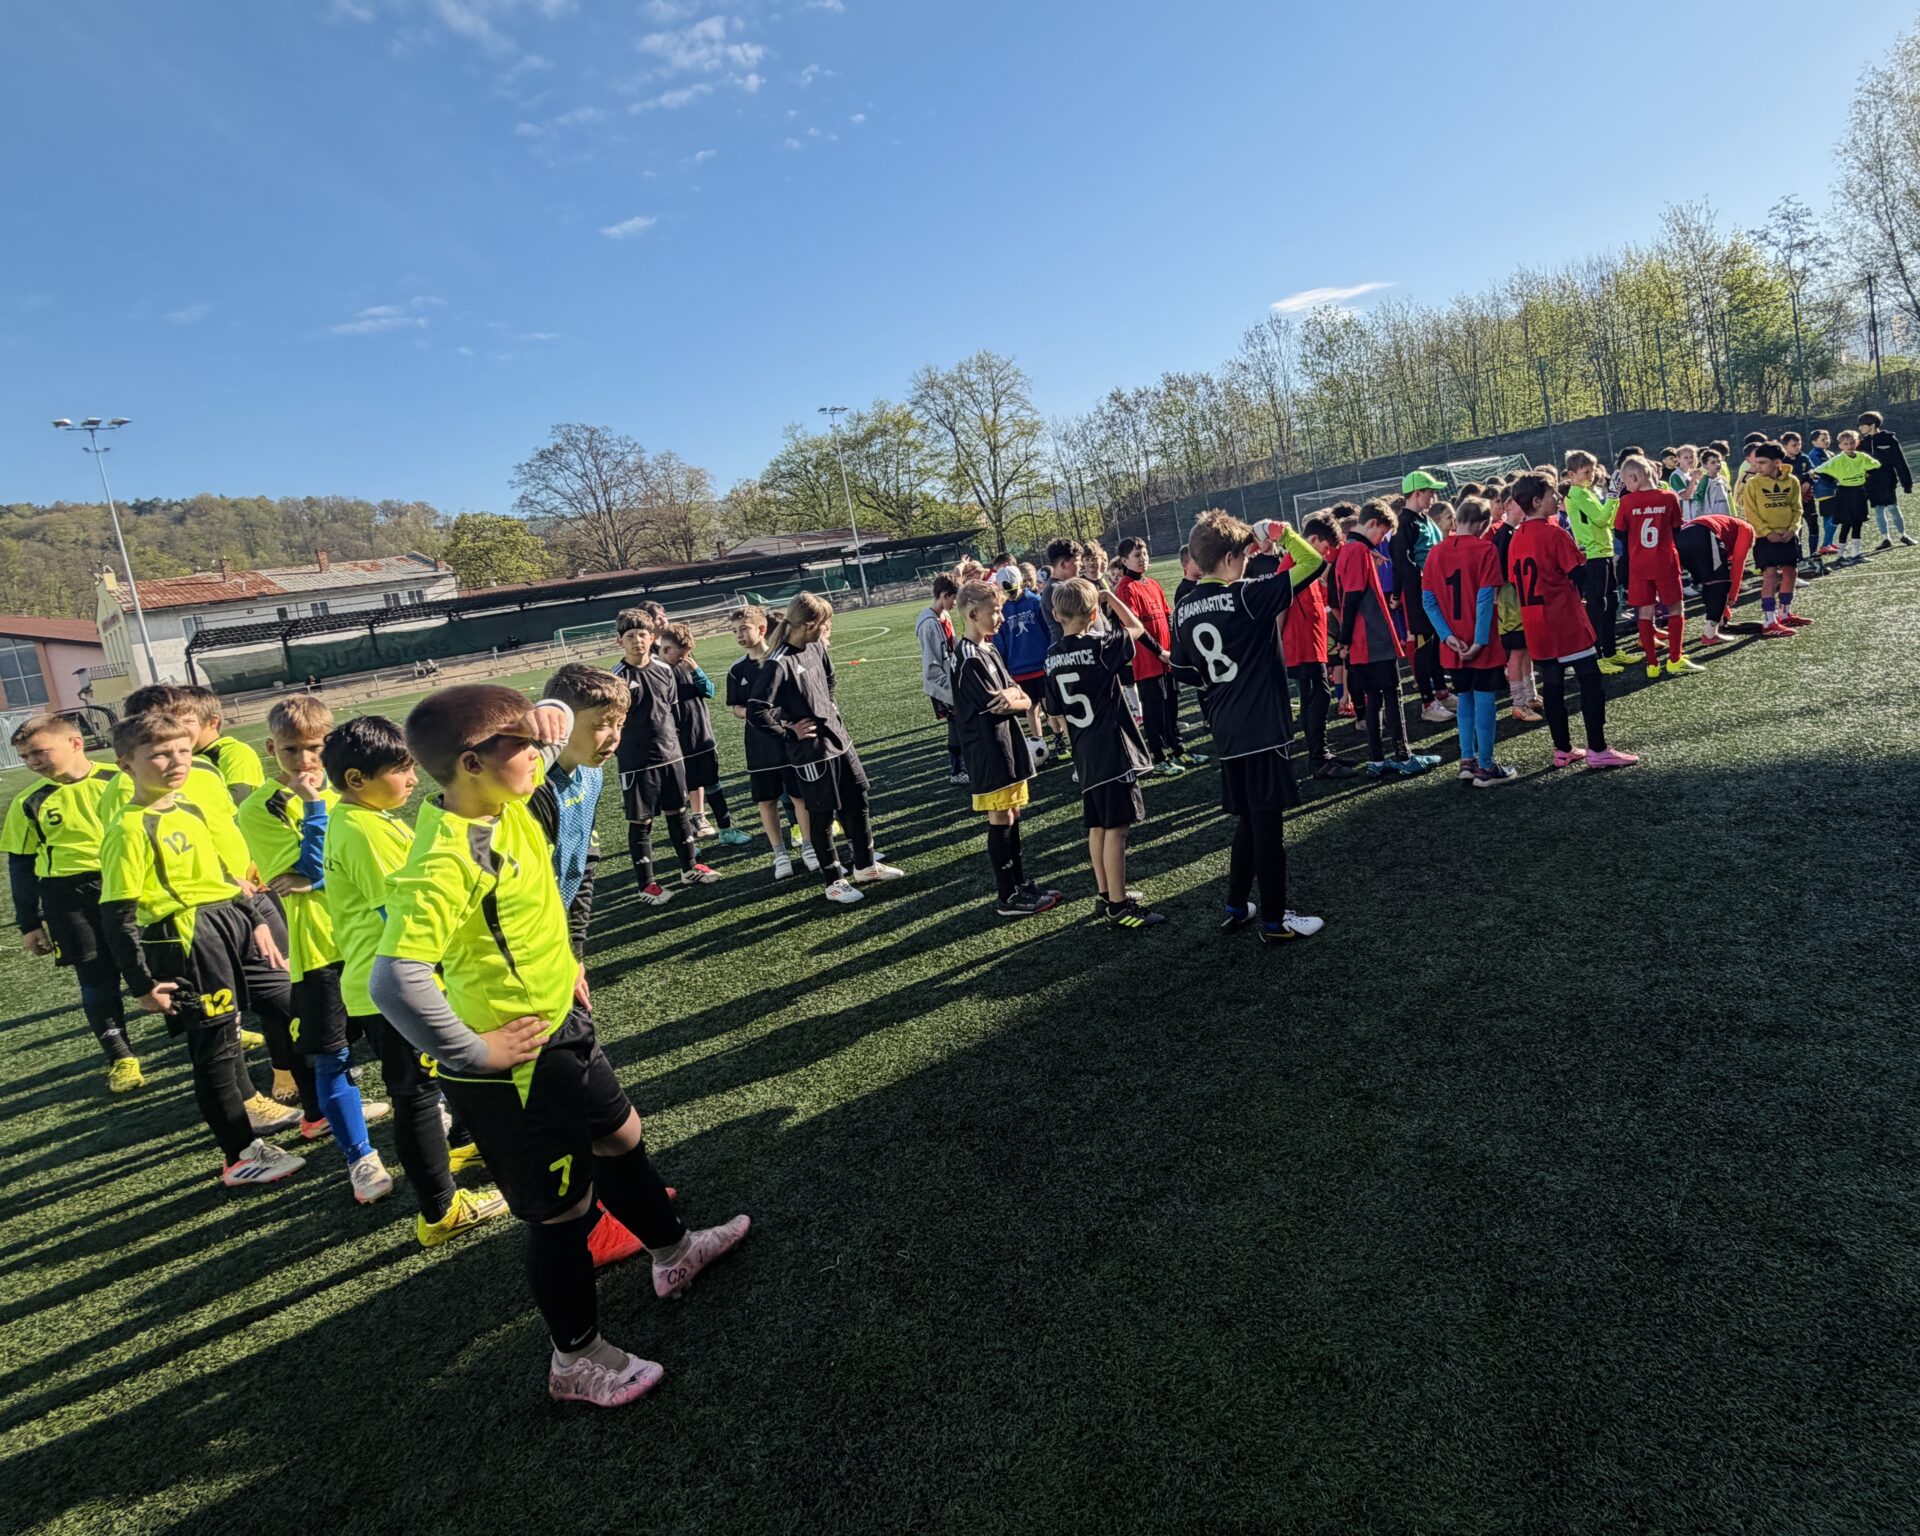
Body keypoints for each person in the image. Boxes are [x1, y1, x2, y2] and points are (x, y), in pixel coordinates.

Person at [369, 684, 750, 1408]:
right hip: (512, 1067)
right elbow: (394, 980)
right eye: (522, 745)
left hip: (560, 1026)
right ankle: (575, 1357)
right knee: (562, 1214)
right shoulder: (447, 859)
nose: (538, 753)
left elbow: (555, 732)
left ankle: (673, 1251)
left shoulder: (502, 798)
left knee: (620, 1137)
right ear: (473, 763)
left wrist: (547, 715)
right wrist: (473, 1053)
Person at [98, 710, 307, 1186]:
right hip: (186, 938)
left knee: (285, 1009)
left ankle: (311, 1113)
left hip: (229, 922)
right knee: (215, 1047)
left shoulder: (188, 809)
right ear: (127, 765)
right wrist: (141, 984)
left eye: (182, 751)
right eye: (159, 755)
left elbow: (221, 875)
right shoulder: (128, 829)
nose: (176, 762)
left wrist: (255, 920)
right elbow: (117, 914)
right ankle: (239, 1156)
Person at [320, 714, 505, 1247]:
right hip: (392, 989)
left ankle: (463, 1142)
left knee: (434, 1080)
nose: (412, 779)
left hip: (383, 983)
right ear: (357, 779)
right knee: (416, 1095)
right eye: (399, 770)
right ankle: (440, 1210)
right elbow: (398, 915)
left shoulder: (367, 819)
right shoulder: (363, 831)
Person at [236, 695, 393, 1199]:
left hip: (372, 939)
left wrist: (315, 874)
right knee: (331, 1056)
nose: (304, 760)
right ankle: (361, 1159)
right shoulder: (259, 809)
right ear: (271, 750)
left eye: (315, 747)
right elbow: (307, 870)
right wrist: (314, 808)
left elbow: (324, 872)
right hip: (320, 948)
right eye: (291, 750)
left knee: (405, 1045)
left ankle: (439, 1118)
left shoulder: (353, 785)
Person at [1172, 510, 1327, 943]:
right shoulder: (1246, 595)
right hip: (1262, 726)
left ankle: (1237, 904)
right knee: (1268, 826)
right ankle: (1275, 921)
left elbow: (1182, 670)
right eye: (1242, 555)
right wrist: (1285, 534)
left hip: (1226, 727)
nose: (1246, 561)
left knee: (1249, 819)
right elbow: (1314, 562)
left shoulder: (1182, 606)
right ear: (1228, 559)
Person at [3, 714, 139, 1088]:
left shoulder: (122, 779)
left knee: (164, 963)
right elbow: (20, 866)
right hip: (68, 898)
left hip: (129, 886)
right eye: (25, 757)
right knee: (96, 978)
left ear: (75, 743)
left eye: (39, 752)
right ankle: (121, 1057)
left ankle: (213, 1028)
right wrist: (29, 923)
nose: (33, 763)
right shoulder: (29, 802)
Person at [747, 593, 903, 905]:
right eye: (824, 623)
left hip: (839, 741)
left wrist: (829, 704)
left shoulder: (816, 646)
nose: (827, 628)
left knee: (857, 799)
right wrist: (789, 733)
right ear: (808, 624)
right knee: (822, 815)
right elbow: (756, 711)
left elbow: (829, 678)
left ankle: (865, 865)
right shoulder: (779, 662)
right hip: (811, 752)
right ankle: (834, 882)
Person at [1504, 475, 1638, 771]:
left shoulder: (1517, 537)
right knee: (1590, 681)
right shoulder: (1553, 532)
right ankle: (1598, 749)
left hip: (1536, 624)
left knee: (1553, 686)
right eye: (1552, 494)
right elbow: (1579, 575)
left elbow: (1516, 579)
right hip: (1564, 621)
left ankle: (1562, 750)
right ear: (1536, 501)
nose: (1558, 498)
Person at [952, 580, 1060, 918]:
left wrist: (1015, 696)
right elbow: (998, 706)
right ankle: (1008, 895)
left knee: (1013, 814)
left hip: (1007, 743)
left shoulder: (989, 648)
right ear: (973, 614)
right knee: (1000, 817)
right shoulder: (968, 657)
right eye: (994, 612)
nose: (1000, 617)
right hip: (988, 748)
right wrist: (1016, 698)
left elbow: (1020, 696)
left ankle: (1020, 882)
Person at [611, 609, 717, 906]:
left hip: (670, 753)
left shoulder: (664, 669)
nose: (637, 641)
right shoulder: (616, 678)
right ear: (620, 642)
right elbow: (612, 720)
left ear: (652, 638)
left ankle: (690, 868)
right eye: (630, 636)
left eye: (642, 635)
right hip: (637, 761)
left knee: (678, 811)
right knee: (641, 821)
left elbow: (668, 707)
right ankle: (646, 885)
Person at [1334, 501, 1437, 777]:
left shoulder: (1352, 549)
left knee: (1374, 698)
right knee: (1392, 694)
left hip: (1364, 641)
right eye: (1382, 533)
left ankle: (1377, 761)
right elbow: (1352, 597)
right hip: (1373, 638)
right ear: (1372, 524)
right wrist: (1344, 639)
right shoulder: (1357, 551)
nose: (1381, 541)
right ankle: (1403, 756)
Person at [1421, 498, 1518, 787]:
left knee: (1464, 696)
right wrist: (1478, 640)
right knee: (1485, 696)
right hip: (1480, 640)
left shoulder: (1436, 552)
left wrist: (1447, 636)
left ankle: (1467, 760)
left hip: (1452, 642)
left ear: (1456, 520)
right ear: (1483, 524)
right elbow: (1486, 597)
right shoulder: (1485, 549)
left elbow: (1428, 600)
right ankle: (1485, 766)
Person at [727, 606, 811, 877]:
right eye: (734, 631)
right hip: (759, 745)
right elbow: (736, 708)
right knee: (767, 801)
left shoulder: (780, 660)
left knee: (799, 796)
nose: (739, 635)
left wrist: (784, 720)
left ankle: (809, 847)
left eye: (743, 629)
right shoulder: (736, 670)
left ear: (762, 629)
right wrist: (752, 713)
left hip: (789, 741)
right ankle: (780, 854)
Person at [657, 623, 751, 847]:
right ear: (666, 650)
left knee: (713, 785)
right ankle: (689, 844)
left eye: (688, 654)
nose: (684, 659)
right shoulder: (656, 672)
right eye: (681, 655)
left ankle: (726, 830)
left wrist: (696, 671)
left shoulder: (689, 665)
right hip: (676, 744)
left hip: (702, 736)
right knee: (681, 794)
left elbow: (709, 691)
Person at [1615, 456, 1706, 678]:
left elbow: (1620, 532)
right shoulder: (1668, 497)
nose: (1625, 486)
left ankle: (1652, 664)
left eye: (1626, 481)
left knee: (1645, 612)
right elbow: (1677, 529)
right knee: (1675, 609)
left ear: (1635, 477)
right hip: (1665, 562)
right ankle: (1675, 659)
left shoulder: (1626, 502)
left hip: (1639, 564)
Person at [1113, 537, 1196, 772]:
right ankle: (1159, 757)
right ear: (1124, 561)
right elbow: (1135, 627)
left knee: (1171, 705)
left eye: (1144, 554)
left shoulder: (1153, 584)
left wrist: (1173, 648)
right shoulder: (1125, 588)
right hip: (1148, 661)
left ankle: (1178, 749)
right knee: (1154, 710)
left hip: (1168, 658)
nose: (1143, 559)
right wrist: (1159, 651)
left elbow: (1167, 616)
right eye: (1136, 555)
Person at [1285, 512, 1357, 781]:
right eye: (1325, 548)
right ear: (1313, 539)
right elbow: (1280, 603)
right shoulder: (1294, 563)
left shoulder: (1308, 564)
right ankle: (1318, 759)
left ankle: (1321, 754)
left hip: (1312, 643)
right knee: (1317, 697)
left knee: (1316, 698)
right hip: (1302, 646)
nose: (1327, 555)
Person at [1391, 470, 1455, 724]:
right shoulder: (1404, 523)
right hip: (1419, 593)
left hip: (1434, 589)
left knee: (1436, 641)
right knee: (1423, 644)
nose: (1433, 497)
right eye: (1430, 492)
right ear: (1417, 493)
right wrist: (1404, 590)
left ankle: (1442, 692)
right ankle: (1427, 702)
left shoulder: (1424, 518)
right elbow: (1401, 562)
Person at [1736, 442, 1811, 637]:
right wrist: (1767, 532)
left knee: (1791, 572)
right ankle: (1769, 621)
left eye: (1762, 463)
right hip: (1765, 538)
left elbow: (1797, 508)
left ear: (1777, 462)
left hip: (1788, 536)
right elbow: (1750, 513)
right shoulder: (1753, 483)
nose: (1757, 467)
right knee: (1769, 574)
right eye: (1756, 463)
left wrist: (1793, 529)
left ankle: (1784, 614)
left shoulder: (1792, 481)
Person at [1562, 451, 1626, 674]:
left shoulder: (1586, 493)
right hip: (1593, 555)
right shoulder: (1578, 494)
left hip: (1603, 551)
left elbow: (1608, 521)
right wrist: (1613, 496)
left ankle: (1610, 651)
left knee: (1611, 601)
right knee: (1598, 605)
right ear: (1571, 474)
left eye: (1592, 471)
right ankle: (1596, 655)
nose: (1590, 476)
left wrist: (1614, 499)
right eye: (1585, 472)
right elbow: (1601, 519)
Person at [988, 565, 1052, 758]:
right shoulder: (1002, 609)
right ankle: (1039, 743)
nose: (1011, 594)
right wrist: (1004, 667)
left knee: (1051, 707)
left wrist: (1051, 655)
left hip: (1042, 666)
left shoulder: (1035, 601)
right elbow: (999, 641)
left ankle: (1059, 739)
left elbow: (1048, 630)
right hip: (1018, 670)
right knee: (1031, 709)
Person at [1675, 513, 1756, 646]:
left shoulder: (1726, 524)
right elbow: (1738, 563)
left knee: (1709, 583)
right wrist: (1732, 596)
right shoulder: (1746, 529)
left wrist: (1723, 608)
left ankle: (1714, 625)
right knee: (1720, 583)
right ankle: (1710, 634)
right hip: (1703, 534)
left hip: (1682, 536)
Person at [916, 576, 966, 785]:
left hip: (953, 679)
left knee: (960, 723)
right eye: (954, 599)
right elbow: (932, 665)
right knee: (956, 725)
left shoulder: (944, 615)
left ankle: (963, 766)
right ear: (944, 595)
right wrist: (948, 687)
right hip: (944, 686)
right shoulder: (929, 624)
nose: (955, 604)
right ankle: (957, 770)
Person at [185, 686, 265, 804]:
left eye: (185, 722)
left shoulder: (235, 753)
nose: (175, 729)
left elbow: (237, 801)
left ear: (213, 721)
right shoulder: (181, 758)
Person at [1813, 429, 1879, 561]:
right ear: (1840, 445)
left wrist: (1866, 474)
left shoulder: (1862, 456)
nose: (1849, 446)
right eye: (1846, 444)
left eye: (1852, 443)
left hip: (1859, 492)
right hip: (1844, 493)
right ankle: (1841, 556)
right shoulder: (1838, 460)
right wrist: (1835, 478)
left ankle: (1855, 554)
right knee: (1846, 523)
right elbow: (1819, 470)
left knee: (1858, 523)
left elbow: (1876, 465)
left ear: (1857, 442)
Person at [1857, 409, 1914, 548]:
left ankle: (1903, 535)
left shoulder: (1889, 439)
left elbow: (1900, 461)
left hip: (1887, 481)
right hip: (1871, 483)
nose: (1860, 428)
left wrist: (1907, 484)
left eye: (1862, 425)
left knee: (1893, 507)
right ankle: (1885, 539)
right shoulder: (1862, 443)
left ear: (1872, 425)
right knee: (1878, 510)